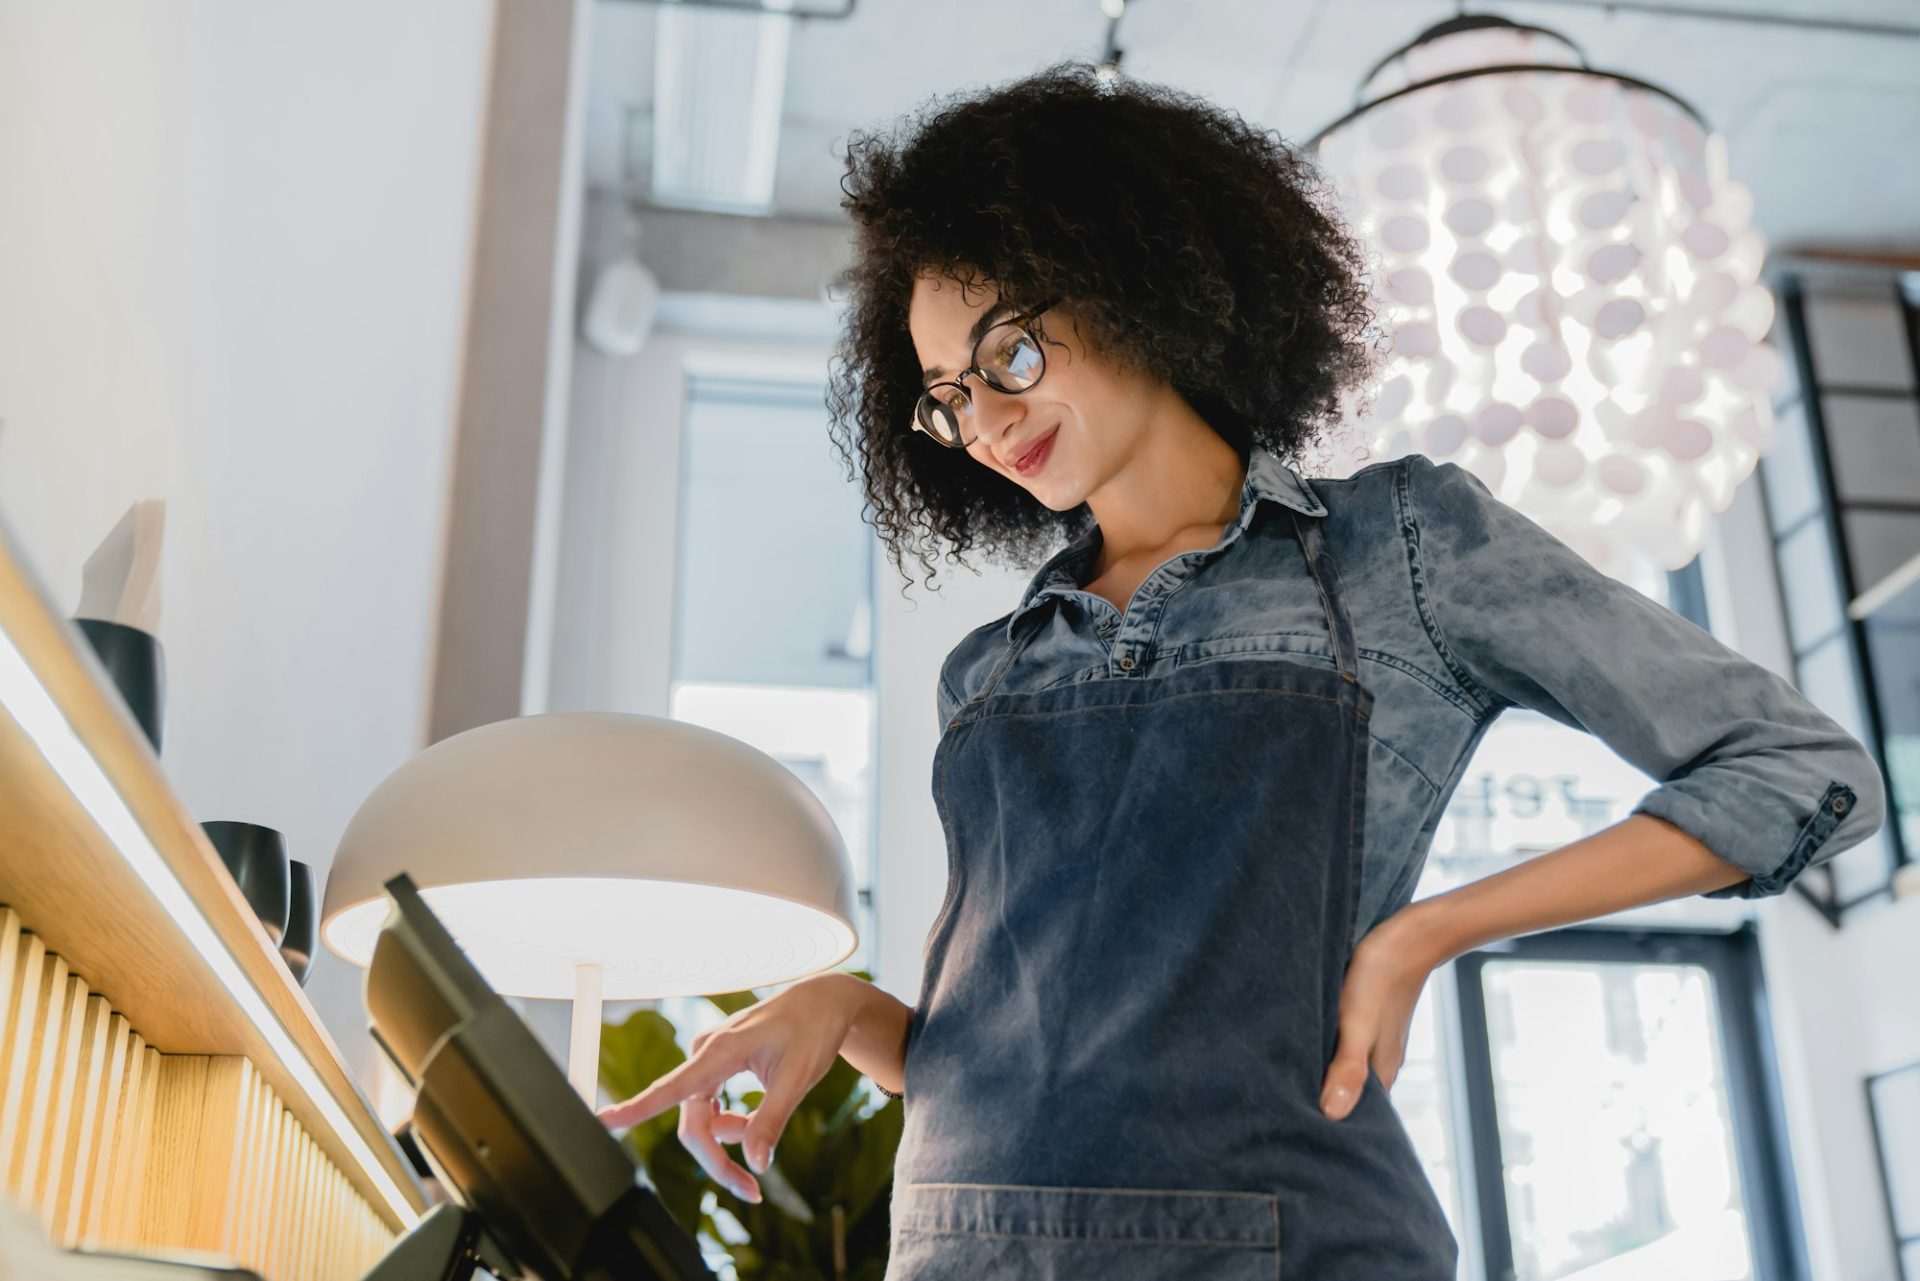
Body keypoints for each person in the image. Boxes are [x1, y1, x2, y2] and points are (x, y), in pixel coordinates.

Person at [598, 60, 1886, 1277]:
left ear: (1132, 277)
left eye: (1010, 355)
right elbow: (1010, 1040)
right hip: (961, 1245)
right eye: (946, 395)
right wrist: (843, 1007)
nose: (985, 424)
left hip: (1273, 1244)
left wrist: (1425, 934)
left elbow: (1799, 772)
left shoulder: (1400, 551)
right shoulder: (987, 673)